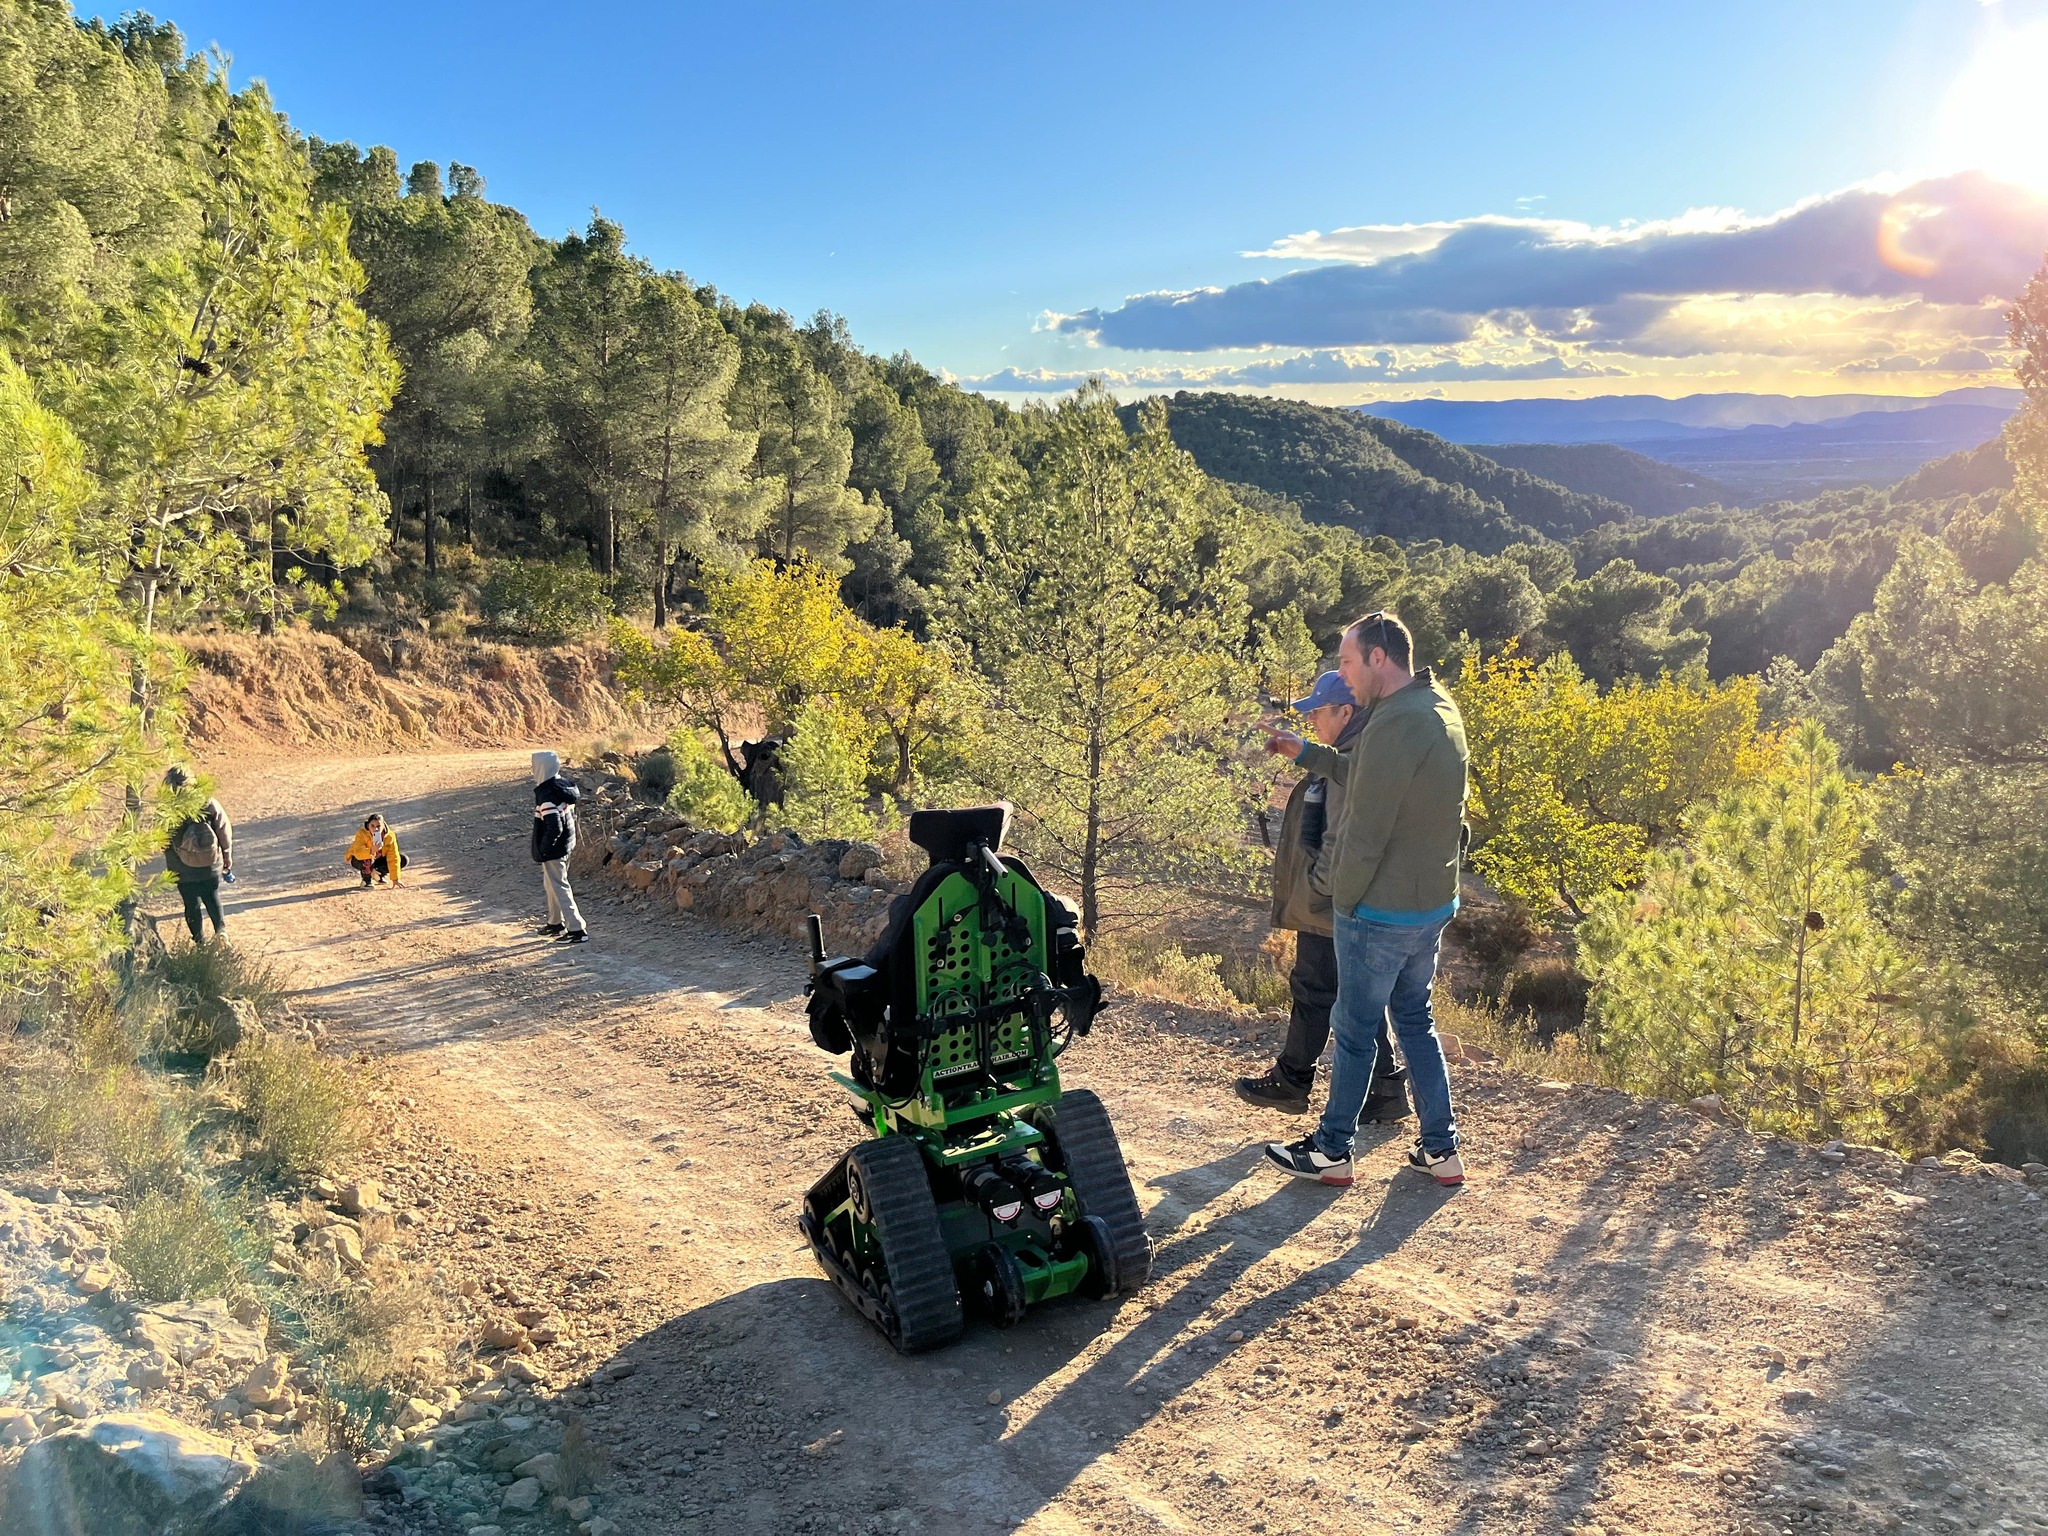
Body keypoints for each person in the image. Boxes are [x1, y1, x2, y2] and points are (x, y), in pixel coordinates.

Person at [1260, 612, 1470, 1189]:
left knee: (1354, 1030)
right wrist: (1307, 752)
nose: (1344, 676)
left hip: (1378, 911)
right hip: (1428, 905)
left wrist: (1336, 898)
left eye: (1348, 662)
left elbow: (1367, 828)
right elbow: (1368, 774)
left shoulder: (1392, 722)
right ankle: (1440, 1150)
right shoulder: (1433, 707)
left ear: (1379, 658)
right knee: (1414, 1022)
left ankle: (1332, 1151)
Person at [1236, 671, 1409, 1123]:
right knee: (1354, 995)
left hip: (1333, 904)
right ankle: (1384, 1091)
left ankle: (1292, 1082)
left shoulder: (1346, 766)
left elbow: (1340, 839)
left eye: (1318, 711)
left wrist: (1316, 890)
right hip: (1343, 902)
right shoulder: (1349, 759)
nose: (1312, 719)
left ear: (1346, 712)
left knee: (1315, 989)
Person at [163, 766, 233, 945]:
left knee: (191, 903)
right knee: (212, 895)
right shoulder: (207, 801)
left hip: (180, 864)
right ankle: (221, 931)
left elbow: (160, 836)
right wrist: (226, 854)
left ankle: (200, 943)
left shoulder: (167, 805)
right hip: (209, 861)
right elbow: (223, 828)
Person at [531, 750, 589, 943]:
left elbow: (553, 827)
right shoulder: (561, 786)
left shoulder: (547, 794)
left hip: (555, 849)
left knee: (559, 885)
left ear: (540, 768)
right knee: (552, 884)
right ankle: (555, 923)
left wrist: (545, 849)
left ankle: (577, 929)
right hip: (566, 844)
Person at [345, 813, 405, 887]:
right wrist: (371, 850)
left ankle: (378, 874)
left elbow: (393, 857)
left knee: (403, 859)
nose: (375, 829)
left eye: (378, 826)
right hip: (357, 859)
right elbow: (358, 853)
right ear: (368, 825)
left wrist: (395, 879)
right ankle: (366, 880)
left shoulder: (390, 836)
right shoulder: (361, 834)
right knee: (368, 858)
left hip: (377, 858)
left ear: (383, 826)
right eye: (372, 826)